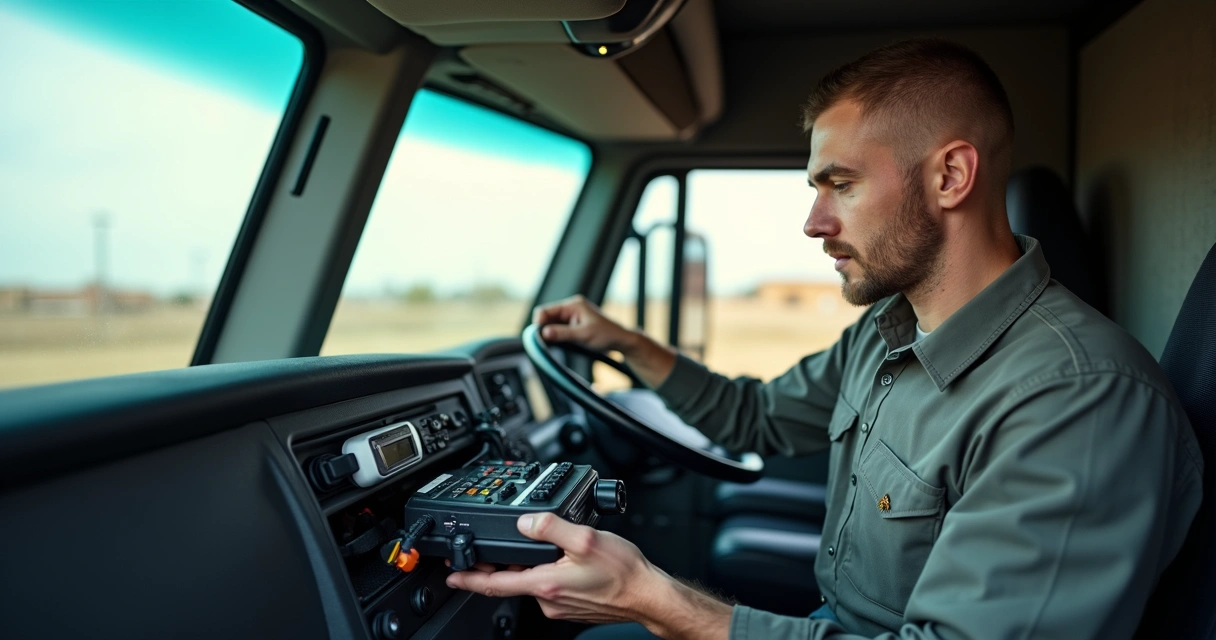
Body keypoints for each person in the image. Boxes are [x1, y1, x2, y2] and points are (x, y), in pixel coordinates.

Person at [446, 38, 1204, 639]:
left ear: (950, 178)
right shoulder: (888, 328)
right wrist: (624, 343)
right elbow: (758, 419)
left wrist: (662, 603)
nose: (814, 223)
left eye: (840, 184)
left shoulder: (1075, 399)